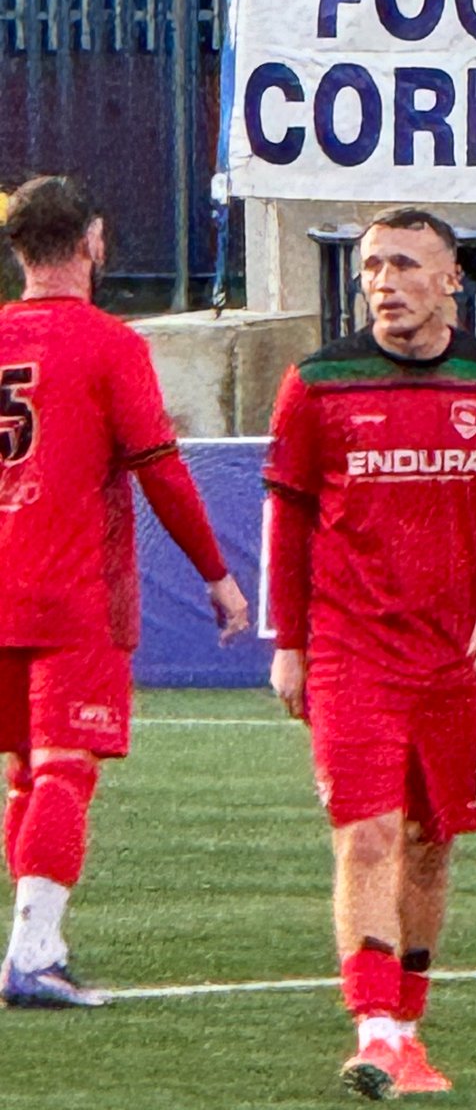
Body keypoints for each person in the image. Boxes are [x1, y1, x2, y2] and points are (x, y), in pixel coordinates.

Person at [265, 207, 476, 1099]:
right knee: (368, 834)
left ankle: (410, 1033)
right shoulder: (318, 384)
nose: (384, 284)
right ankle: (375, 1030)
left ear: (450, 279)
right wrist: (289, 643)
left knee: (430, 844)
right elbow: (289, 520)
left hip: (454, 661)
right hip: (350, 649)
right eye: (371, 269)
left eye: (402, 265)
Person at [0, 175, 249, 1008]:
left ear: (18, 249)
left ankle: (37, 937)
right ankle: (32, 953)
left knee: (26, 774)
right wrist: (217, 574)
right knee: (65, 770)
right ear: (93, 241)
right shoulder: (110, 345)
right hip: (74, 592)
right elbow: (161, 472)